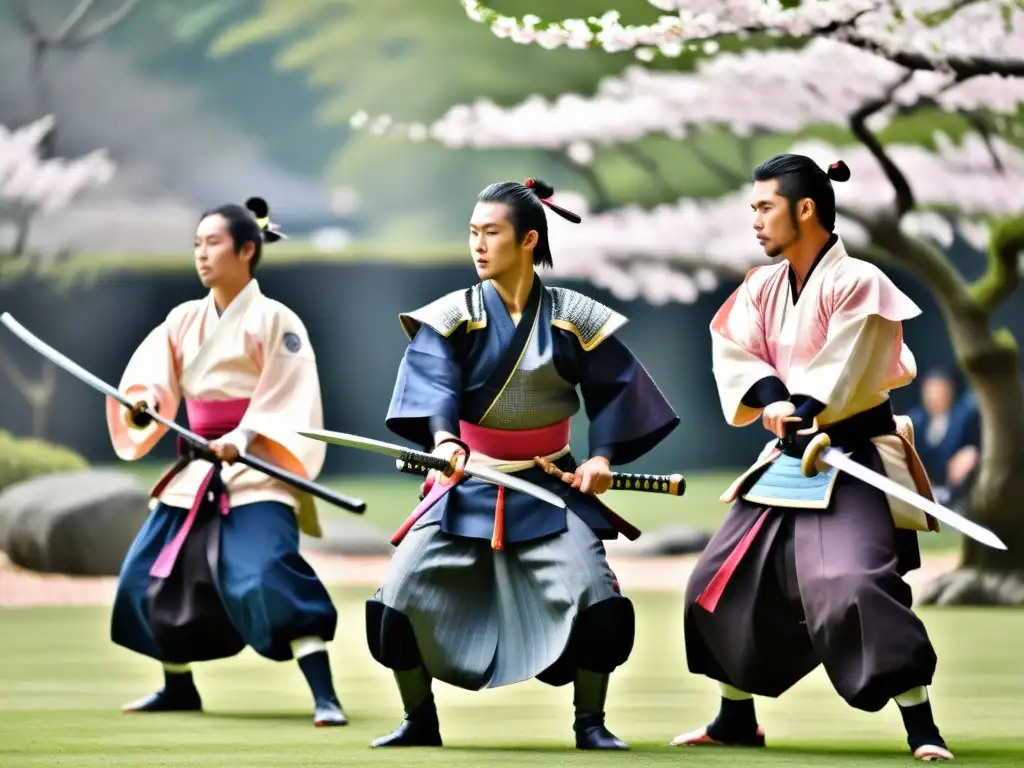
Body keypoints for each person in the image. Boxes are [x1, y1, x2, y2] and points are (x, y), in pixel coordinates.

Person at [367, 177, 679, 750]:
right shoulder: (450, 317)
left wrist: (604, 457)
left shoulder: (574, 316)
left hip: (549, 485)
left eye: (492, 233)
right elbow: (432, 382)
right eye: (472, 234)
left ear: (530, 239)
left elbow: (617, 390)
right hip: (465, 480)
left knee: (597, 595)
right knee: (398, 593)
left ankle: (591, 722)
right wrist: (444, 441)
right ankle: (419, 720)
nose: (478, 245)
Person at [673, 155, 953, 762]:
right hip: (789, 458)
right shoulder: (761, 285)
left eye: (764, 206)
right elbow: (737, 350)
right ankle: (734, 718)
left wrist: (800, 407)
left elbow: (848, 366)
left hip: (847, 452)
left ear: (805, 209)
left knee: (851, 583)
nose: (754, 220)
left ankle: (922, 728)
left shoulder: (861, 282)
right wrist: (775, 403)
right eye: (752, 208)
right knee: (715, 582)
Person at [105, 197, 347, 727]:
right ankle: (178, 686)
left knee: (265, 572)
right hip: (196, 468)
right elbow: (149, 381)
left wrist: (243, 435)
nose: (202, 254)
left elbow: (290, 393)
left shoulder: (275, 318)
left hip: (256, 467)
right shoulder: (183, 319)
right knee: (146, 573)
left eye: (212, 243)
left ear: (246, 250)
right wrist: (144, 404)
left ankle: (325, 695)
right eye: (197, 244)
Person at [907, 368, 980, 509]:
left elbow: (978, 443)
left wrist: (972, 452)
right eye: (930, 391)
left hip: (955, 490)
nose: (934, 397)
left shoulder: (964, 418)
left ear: (950, 391)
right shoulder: (915, 420)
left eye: (939, 391)